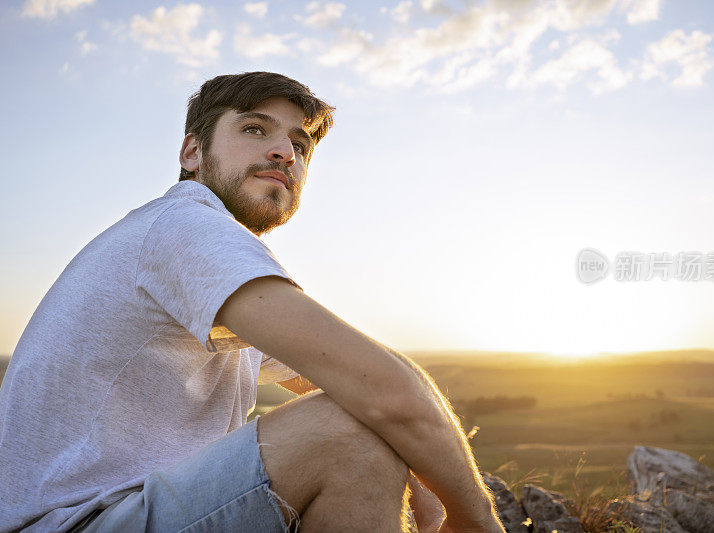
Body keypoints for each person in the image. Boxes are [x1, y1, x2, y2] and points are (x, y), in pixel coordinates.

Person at [0, 72, 503, 532]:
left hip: (117, 514)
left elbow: (347, 378)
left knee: (354, 422)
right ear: (192, 153)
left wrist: (417, 476)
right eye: (256, 130)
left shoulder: (188, 252)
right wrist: (471, 517)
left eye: (300, 145)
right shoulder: (186, 226)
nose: (286, 152)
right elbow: (385, 391)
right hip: (76, 523)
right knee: (344, 436)